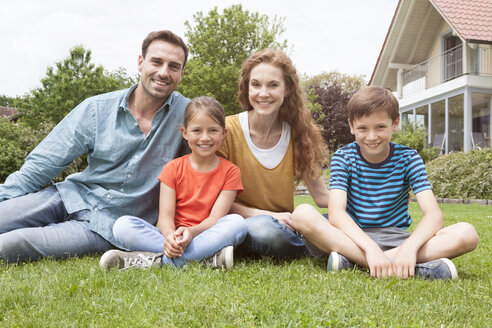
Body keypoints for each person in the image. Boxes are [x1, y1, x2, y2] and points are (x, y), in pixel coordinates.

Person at [0, 30, 190, 264]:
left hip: (106, 227)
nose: (163, 72)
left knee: (10, 245)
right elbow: (41, 165)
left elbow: (204, 173)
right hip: (68, 197)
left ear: (181, 74)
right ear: (141, 63)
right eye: (157, 62)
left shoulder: (189, 118)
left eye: (173, 66)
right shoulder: (96, 109)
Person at [292, 86, 479, 279]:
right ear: (351, 125)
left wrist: (409, 248)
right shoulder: (343, 157)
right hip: (350, 237)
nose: (371, 137)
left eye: (380, 127)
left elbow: (433, 216)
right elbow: (337, 214)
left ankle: (354, 262)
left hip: (395, 238)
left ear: (395, 123)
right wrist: (370, 248)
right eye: (363, 128)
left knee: (467, 233)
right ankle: (395, 265)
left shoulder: (409, 158)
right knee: (302, 214)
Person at [99, 96, 247, 269]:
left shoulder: (231, 172)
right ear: (184, 133)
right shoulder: (172, 169)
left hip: (206, 236)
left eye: (213, 130)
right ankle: (203, 260)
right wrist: (170, 237)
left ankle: (156, 261)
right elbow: (165, 218)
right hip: (172, 238)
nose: (205, 138)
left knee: (238, 223)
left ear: (224, 133)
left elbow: (215, 219)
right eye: (197, 131)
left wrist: (191, 233)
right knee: (122, 226)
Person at [218, 48, 329, 259]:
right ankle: (318, 245)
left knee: (340, 219)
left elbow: (322, 196)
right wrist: (268, 215)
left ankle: (316, 241)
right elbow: (213, 198)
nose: (263, 93)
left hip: (288, 225)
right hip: (246, 222)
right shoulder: (226, 130)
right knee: (264, 231)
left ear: (287, 89)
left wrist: (366, 199)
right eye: (256, 84)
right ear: (247, 87)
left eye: (273, 85)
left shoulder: (299, 133)